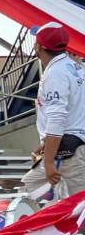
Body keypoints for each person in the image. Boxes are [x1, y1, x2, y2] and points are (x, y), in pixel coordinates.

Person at [20, 22, 85, 198]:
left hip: (71, 151)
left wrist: (48, 161)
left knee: (78, 206)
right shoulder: (76, 67)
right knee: (27, 190)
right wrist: (47, 145)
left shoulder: (56, 72)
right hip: (70, 145)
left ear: (38, 46)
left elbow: (57, 117)